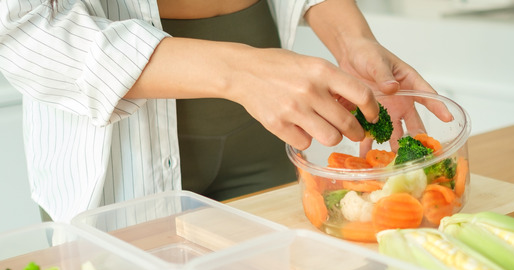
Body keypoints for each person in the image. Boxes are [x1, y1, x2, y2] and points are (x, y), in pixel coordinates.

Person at [0, 0, 437, 222]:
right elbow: (24, 31)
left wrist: (351, 40)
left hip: (265, 129)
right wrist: (241, 72)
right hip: (114, 149)